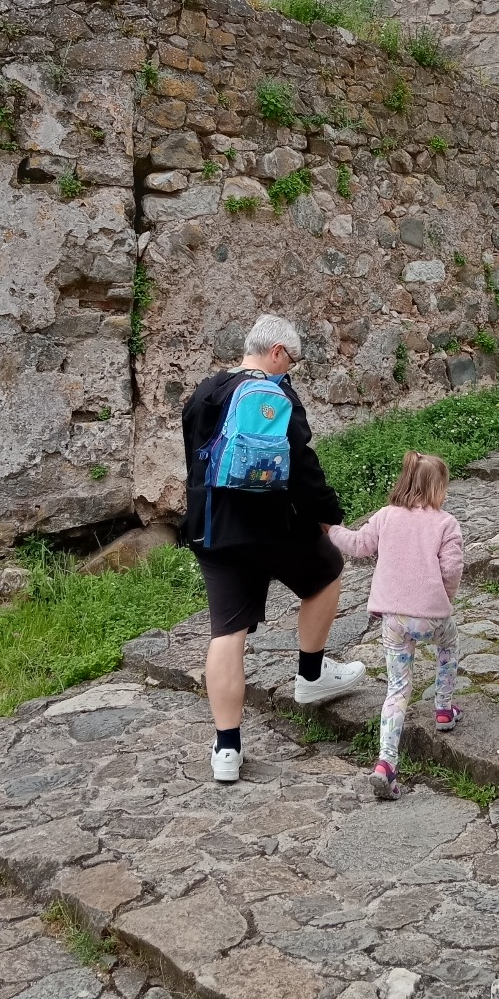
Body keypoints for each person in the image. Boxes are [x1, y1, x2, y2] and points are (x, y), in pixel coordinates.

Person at [181, 314, 366, 784]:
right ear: (278, 351)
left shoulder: (204, 392)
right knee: (326, 572)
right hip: (274, 527)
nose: (292, 370)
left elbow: (195, 464)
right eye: (293, 360)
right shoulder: (276, 393)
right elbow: (302, 466)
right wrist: (329, 515)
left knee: (227, 632)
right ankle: (310, 674)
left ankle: (226, 750)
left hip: (214, 533)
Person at [328, 451, 463, 801]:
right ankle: (444, 708)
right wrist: (443, 601)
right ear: (436, 488)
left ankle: (386, 763)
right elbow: (451, 569)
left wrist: (330, 530)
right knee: (449, 647)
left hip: (394, 621)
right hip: (432, 617)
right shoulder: (446, 523)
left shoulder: (385, 517)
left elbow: (358, 546)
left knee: (398, 690)